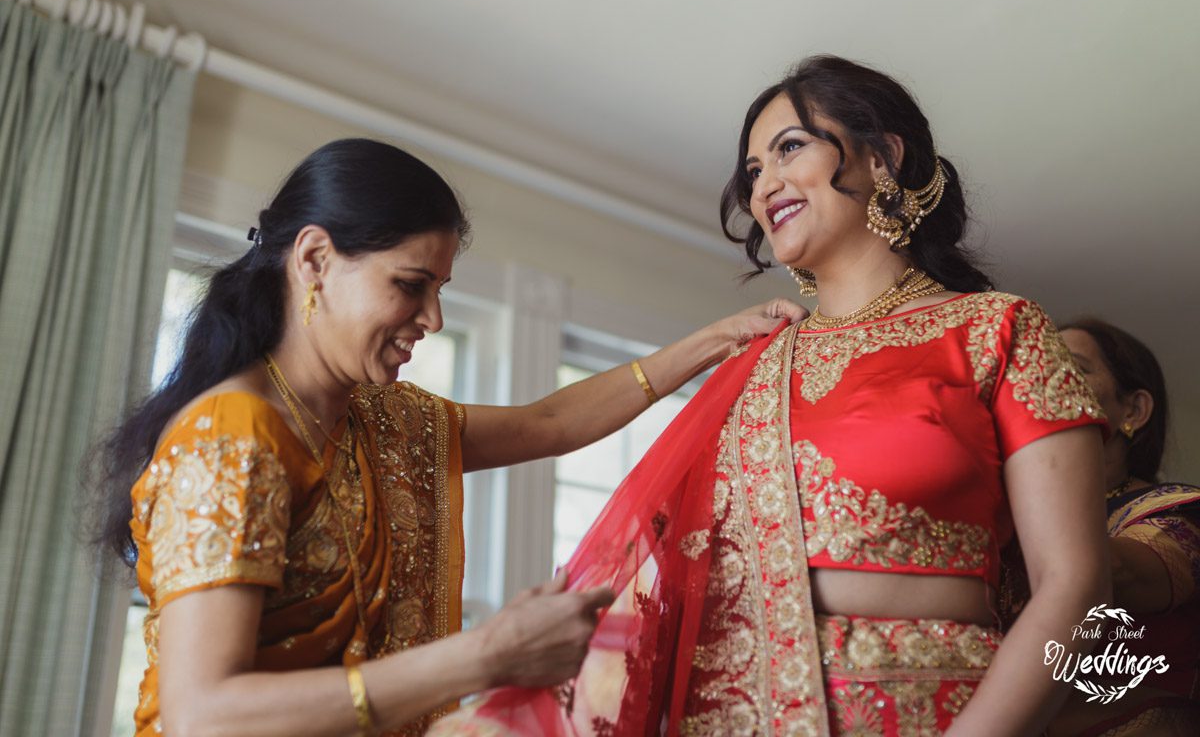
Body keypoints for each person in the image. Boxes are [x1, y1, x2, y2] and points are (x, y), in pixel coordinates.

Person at [432, 56, 1111, 736]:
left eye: (789, 148)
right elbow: (664, 580)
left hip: (933, 711)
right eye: (753, 171)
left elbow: (1075, 589)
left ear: (882, 158)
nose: (765, 187)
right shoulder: (754, 366)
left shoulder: (996, 330)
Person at [89, 138, 806, 736]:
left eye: (440, 292)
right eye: (409, 285)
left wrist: (712, 342)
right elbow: (202, 714)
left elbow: (548, 424)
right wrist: (486, 656)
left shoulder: (383, 420)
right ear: (313, 260)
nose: (430, 318)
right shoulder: (233, 436)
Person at [1048, 319, 1199, 736]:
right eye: (1036, 364)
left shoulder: (1176, 511)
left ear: (1132, 410)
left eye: (1073, 367)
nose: (1042, 378)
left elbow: (1123, 575)